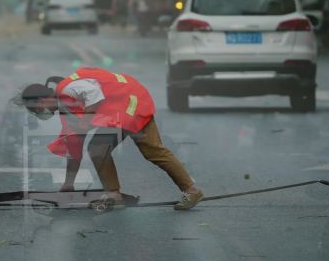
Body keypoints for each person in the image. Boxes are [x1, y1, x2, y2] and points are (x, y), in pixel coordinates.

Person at [20, 67, 204, 210]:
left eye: (38, 108)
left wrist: (86, 121)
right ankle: (113, 194)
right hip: (118, 109)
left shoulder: (67, 88)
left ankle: (192, 190)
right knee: (97, 149)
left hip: (130, 101)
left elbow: (94, 94)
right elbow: (74, 148)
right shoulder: (66, 110)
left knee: (152, 150)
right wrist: (69, 184)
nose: (42, 112)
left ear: (44, 99)